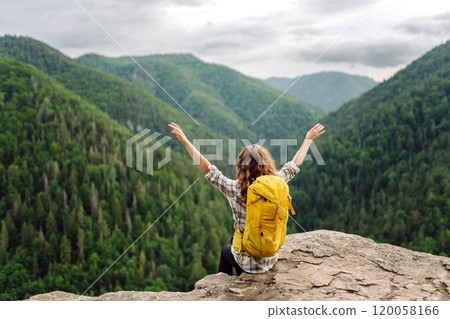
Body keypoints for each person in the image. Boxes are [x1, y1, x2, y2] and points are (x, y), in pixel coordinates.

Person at [168, 122, 325, 276]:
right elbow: (293, 166)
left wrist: (186, 142)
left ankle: (224, 286)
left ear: (241, 166)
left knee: (225, 251)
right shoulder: (277, 183)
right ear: (267, 163)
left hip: (247, 264)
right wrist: (308, 140)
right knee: (233, 239)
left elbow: (208, 169)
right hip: (270, 258)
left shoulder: (235, 189)